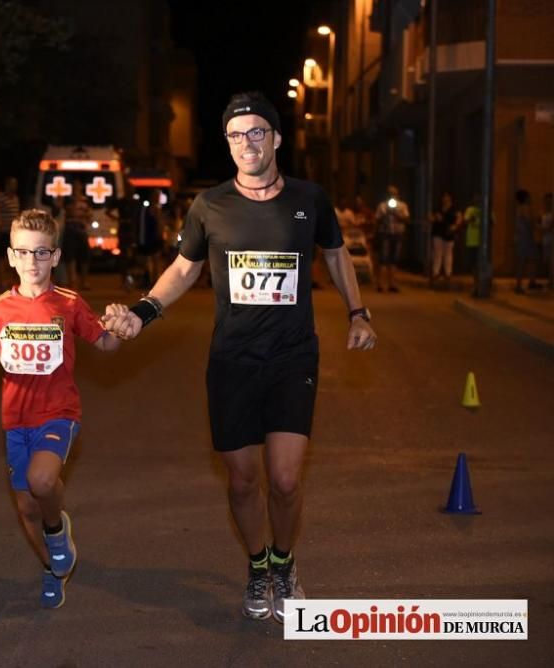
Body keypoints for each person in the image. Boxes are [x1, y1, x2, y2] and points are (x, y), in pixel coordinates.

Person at [101, 92, 376, 624]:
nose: (246, 143)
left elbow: (337, 254)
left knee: (287, 479)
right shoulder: (210, 206)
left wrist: (358, 312)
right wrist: (143, 312)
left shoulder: (309, 199)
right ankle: (257, 564)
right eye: (235, 135)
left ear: (274, 139)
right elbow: (183, 270)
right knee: (244, 479)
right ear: (227, 145)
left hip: (293, 356)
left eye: (256, 132)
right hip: (232, 360)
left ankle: (285, 562)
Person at [0, 209, 121, 609]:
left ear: (55, 257)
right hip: (15, 421)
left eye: (41, 254)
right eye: (24, 253)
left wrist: (119, 329)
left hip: (58, 413)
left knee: (41, 482)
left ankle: (58, 531)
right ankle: (51, 569)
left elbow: (105, 343)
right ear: (10, 257)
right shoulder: (1, 308)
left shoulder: (69, 304)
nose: (32, 262)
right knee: (25, 506)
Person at [373, 184, 410, 293]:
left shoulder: (402, 206)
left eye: (394, 193)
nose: (392, 196)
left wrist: (396, 214)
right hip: (385, 234)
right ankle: (380, 284)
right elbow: (377, 220)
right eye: (390, 193)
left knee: (394, 260)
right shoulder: (382, 206)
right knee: (383, 259)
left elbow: (407, 219)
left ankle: (392, 283)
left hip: (397, 234)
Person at [430, 191, 462, 288]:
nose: (445, 199)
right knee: (437, 253)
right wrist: (434, 218)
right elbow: (430, 217)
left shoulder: (454, 209)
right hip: (438, 232)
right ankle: (436, 273)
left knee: (448, 253)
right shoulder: (438, 208)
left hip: (449, 233)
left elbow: (459, 218)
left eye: (447, 197)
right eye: (444, 197)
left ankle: (448, 273)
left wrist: (455, 226)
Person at [513, 189, 541, 294]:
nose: (530, 199)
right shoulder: (525, 208)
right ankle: (519, 286)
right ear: (525, 198)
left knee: (533, 258)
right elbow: (529, 222)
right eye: (529, 197)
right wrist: (539, 226)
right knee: (523, 261)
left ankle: (531, 281)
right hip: (525, 238)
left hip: (525, 238)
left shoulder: (520, 208)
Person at [541, 192, 554, 291]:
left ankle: (551, 282)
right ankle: (550, 280)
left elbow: (549, 227)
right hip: (546, 239)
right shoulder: (544, 213)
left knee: (551, 261)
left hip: (551, 239)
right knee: (547, 261)